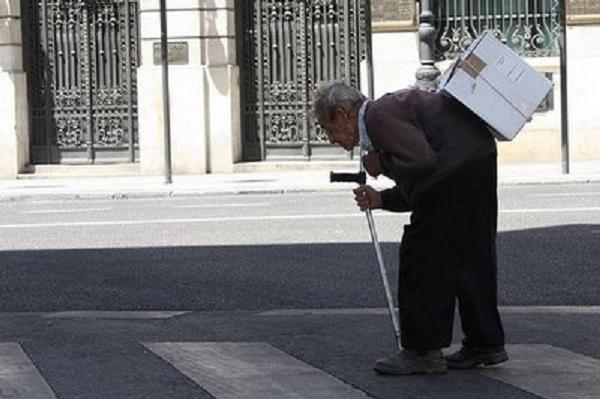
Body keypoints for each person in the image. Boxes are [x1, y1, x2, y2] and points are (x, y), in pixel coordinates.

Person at [313, 81, 508, 375]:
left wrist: (382, 164)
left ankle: (422, 350)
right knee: (469, 257)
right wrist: (382, 199)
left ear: (343, 114)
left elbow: (421, 161)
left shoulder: (377, 116)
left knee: (422, 258)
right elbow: (422, 183)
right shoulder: (387, 112)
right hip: (474, 161)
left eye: (327, 128)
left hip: (455, 171)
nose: (331, 139)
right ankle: (485, 342)